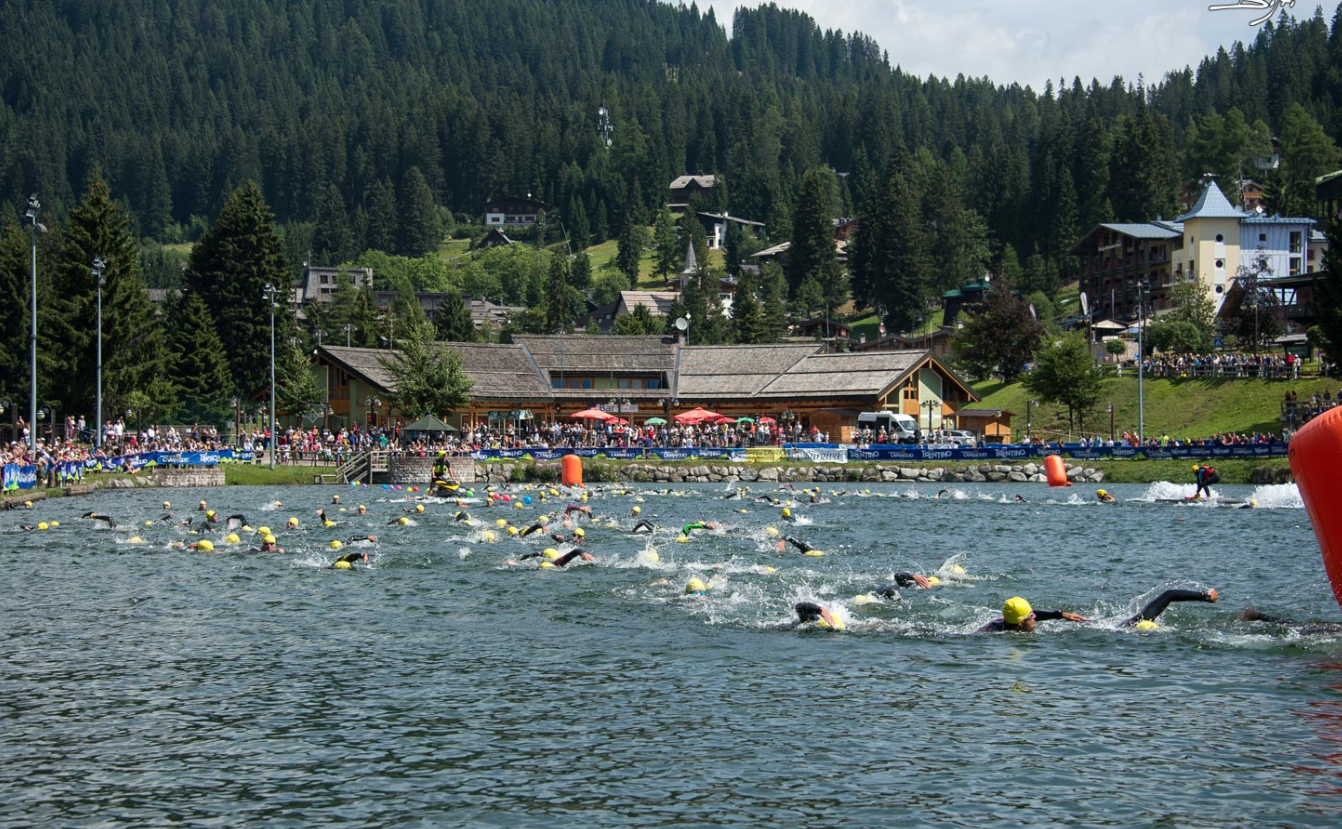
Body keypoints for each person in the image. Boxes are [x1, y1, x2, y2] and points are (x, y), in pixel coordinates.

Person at [981, 587, 1218, 632]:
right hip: (1118, 631)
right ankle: (1205, 597)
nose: (1036, 617)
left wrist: (1059, 614)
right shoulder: (1003, 629)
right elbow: (1171, 594)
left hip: (1098, 626)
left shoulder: (999, 626)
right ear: (1021, 623)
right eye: (1032, 616)